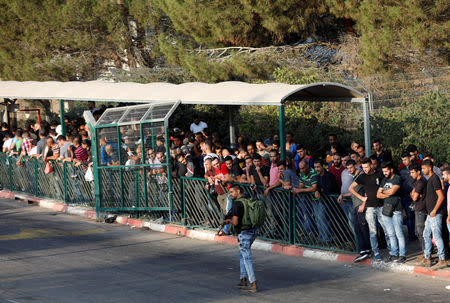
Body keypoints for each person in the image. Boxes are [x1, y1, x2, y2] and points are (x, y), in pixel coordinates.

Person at [349, 158, 389, 261]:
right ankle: (376, 253)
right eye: (363, 167)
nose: (365, 169)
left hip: (380, 206)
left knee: (386, 230)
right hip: (370, 207)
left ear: (371, 165)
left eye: (366, 167)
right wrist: (362, 198)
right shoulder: (362, 177)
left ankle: (391, 252)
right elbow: (350, 188)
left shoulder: (379, 174)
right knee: (373, 232)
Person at [224, 185, 258, 293]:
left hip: (244, 233)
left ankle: (253, 283)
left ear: (238, 191)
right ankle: (243, 279)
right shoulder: (248, 199)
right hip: (253, 231)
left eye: (232, 192)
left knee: (246, 257)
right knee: (242, 254)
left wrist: (228, 221)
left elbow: (235, 222)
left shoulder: (237, 204)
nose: (230, 194)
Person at [419, 159, 446, 268]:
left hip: (435, 213)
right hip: (430, 213)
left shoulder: (434, 178)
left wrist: (434, 210)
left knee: (436, 235)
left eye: (424, 168)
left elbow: (441, 196)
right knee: (426, 234)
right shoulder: (430, 179)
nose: (422, 170)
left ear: (430, 168)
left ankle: (442, 259)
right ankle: (427, 257)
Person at [377, 162, 406, 263]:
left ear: (391, 170)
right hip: (386, 209)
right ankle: (394, 254)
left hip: (396, 210)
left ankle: (402, 255)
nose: (384, 173)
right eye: (383, 171)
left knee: (399, 233)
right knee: (390, 234)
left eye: (386, 171)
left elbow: (392, 192)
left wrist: (384, 192)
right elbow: (378, 194)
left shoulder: (397, 178)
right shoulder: (384, 180)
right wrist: (387, 192)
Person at [409, 162, 428, 261]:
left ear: (418, 172)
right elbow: (412, 194)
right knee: (418, 232)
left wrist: (414, 195)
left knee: (421, 232)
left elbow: (414, 197)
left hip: (421, 209)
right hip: (418, 208)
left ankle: (427, 253)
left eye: (412, 172)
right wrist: (413, 194)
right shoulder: (417, 181)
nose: (411, 174)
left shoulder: (421, 182)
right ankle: (425, 252)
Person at [398, 151, 417, 241]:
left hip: (417, 194)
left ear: (410, 158)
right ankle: (411, 235)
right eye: (403, 160)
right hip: (406, 196)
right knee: (409, 216)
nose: (404, 162)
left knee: (418, 215)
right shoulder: (402, 171)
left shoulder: (417, 167)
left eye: (405, 159)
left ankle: (418, 234)